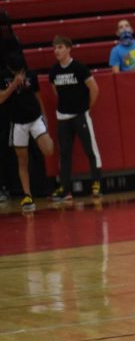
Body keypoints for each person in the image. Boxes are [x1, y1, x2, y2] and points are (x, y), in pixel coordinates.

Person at [48, 35, 103, 201]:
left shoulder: (80, 68)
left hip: (81, 115)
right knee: (64, 153)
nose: (56, 51)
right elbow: (55, 90)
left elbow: (94, 89)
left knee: (90, 150)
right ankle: (65, 189)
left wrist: (86, 108)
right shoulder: (54, 71)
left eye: (60, 47)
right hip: (63, 117)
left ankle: (97, 183)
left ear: (68, 48)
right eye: (55, 48)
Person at [0, 53, 53, 211]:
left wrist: (45, 116)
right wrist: (14, 85)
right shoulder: (3, 77)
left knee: (48, 150)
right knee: (22, 160)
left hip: (35, 118)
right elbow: (1, 98)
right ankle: (27, 196)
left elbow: (38, 96)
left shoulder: (31, 75)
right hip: (17, 123)